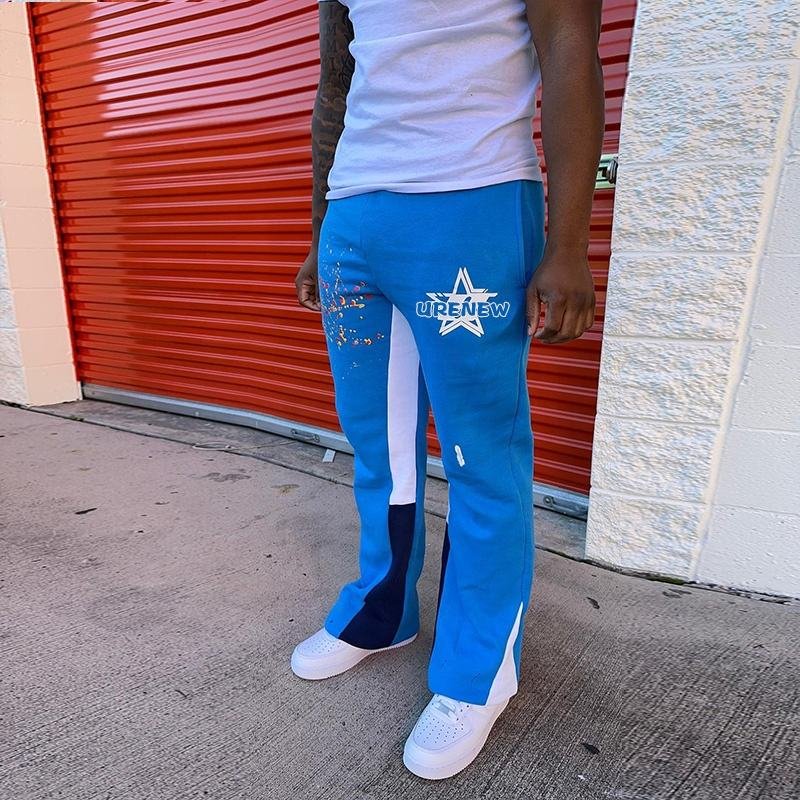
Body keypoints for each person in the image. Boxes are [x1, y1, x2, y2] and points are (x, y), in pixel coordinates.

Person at [292, 0, 603, 781]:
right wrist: (321, 228)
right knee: (379, 446)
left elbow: (570, 46)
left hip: (472, 201)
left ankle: (476, 671)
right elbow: (337, 81)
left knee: (481, 456)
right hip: (355, 215)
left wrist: (568, 243)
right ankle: (381, 611)